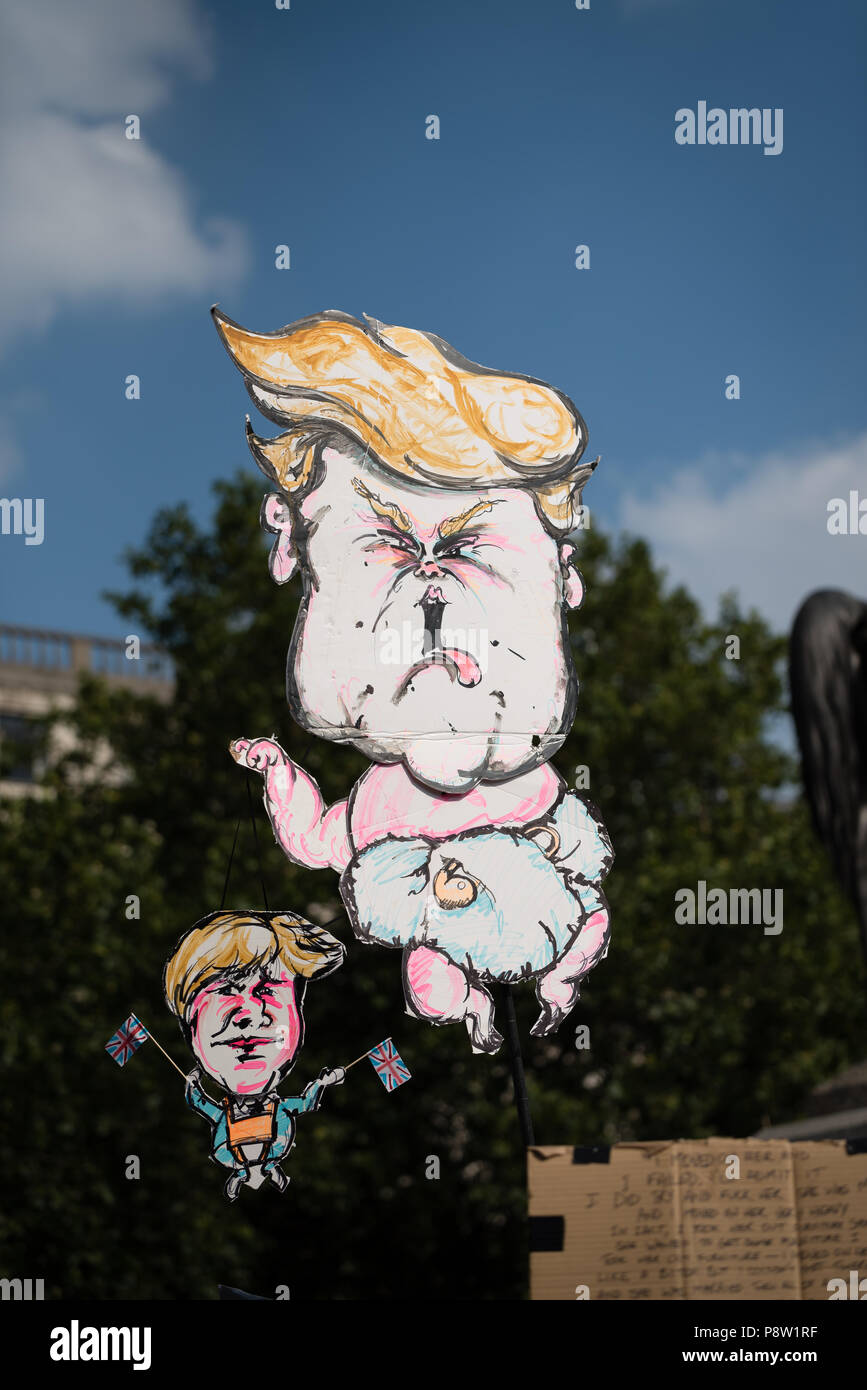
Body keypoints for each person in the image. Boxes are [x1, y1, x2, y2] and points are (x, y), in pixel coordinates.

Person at [214, 308, 613, 1052]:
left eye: (470, 548)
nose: (431, 592)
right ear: (291, 544)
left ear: (564, 577)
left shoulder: (514, 787)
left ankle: (547, 988)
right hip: (444, 925)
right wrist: (276, 770)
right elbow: (309, 842)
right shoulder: (380, 808)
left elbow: (315, 843)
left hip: (543, 907)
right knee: (438, 978)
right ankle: (480, 1012)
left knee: (576, 926)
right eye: (389, 545)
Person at [164, 909, 345, 1200]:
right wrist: (192, 1084)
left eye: (268, 989)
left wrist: (322, 1084)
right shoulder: (262, 1120)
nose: (248, 1014)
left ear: (298, 1013)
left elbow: (202, 1105)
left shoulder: (272, 1118)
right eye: (225, 990)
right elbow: (200, 1105)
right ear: (190, 1025)